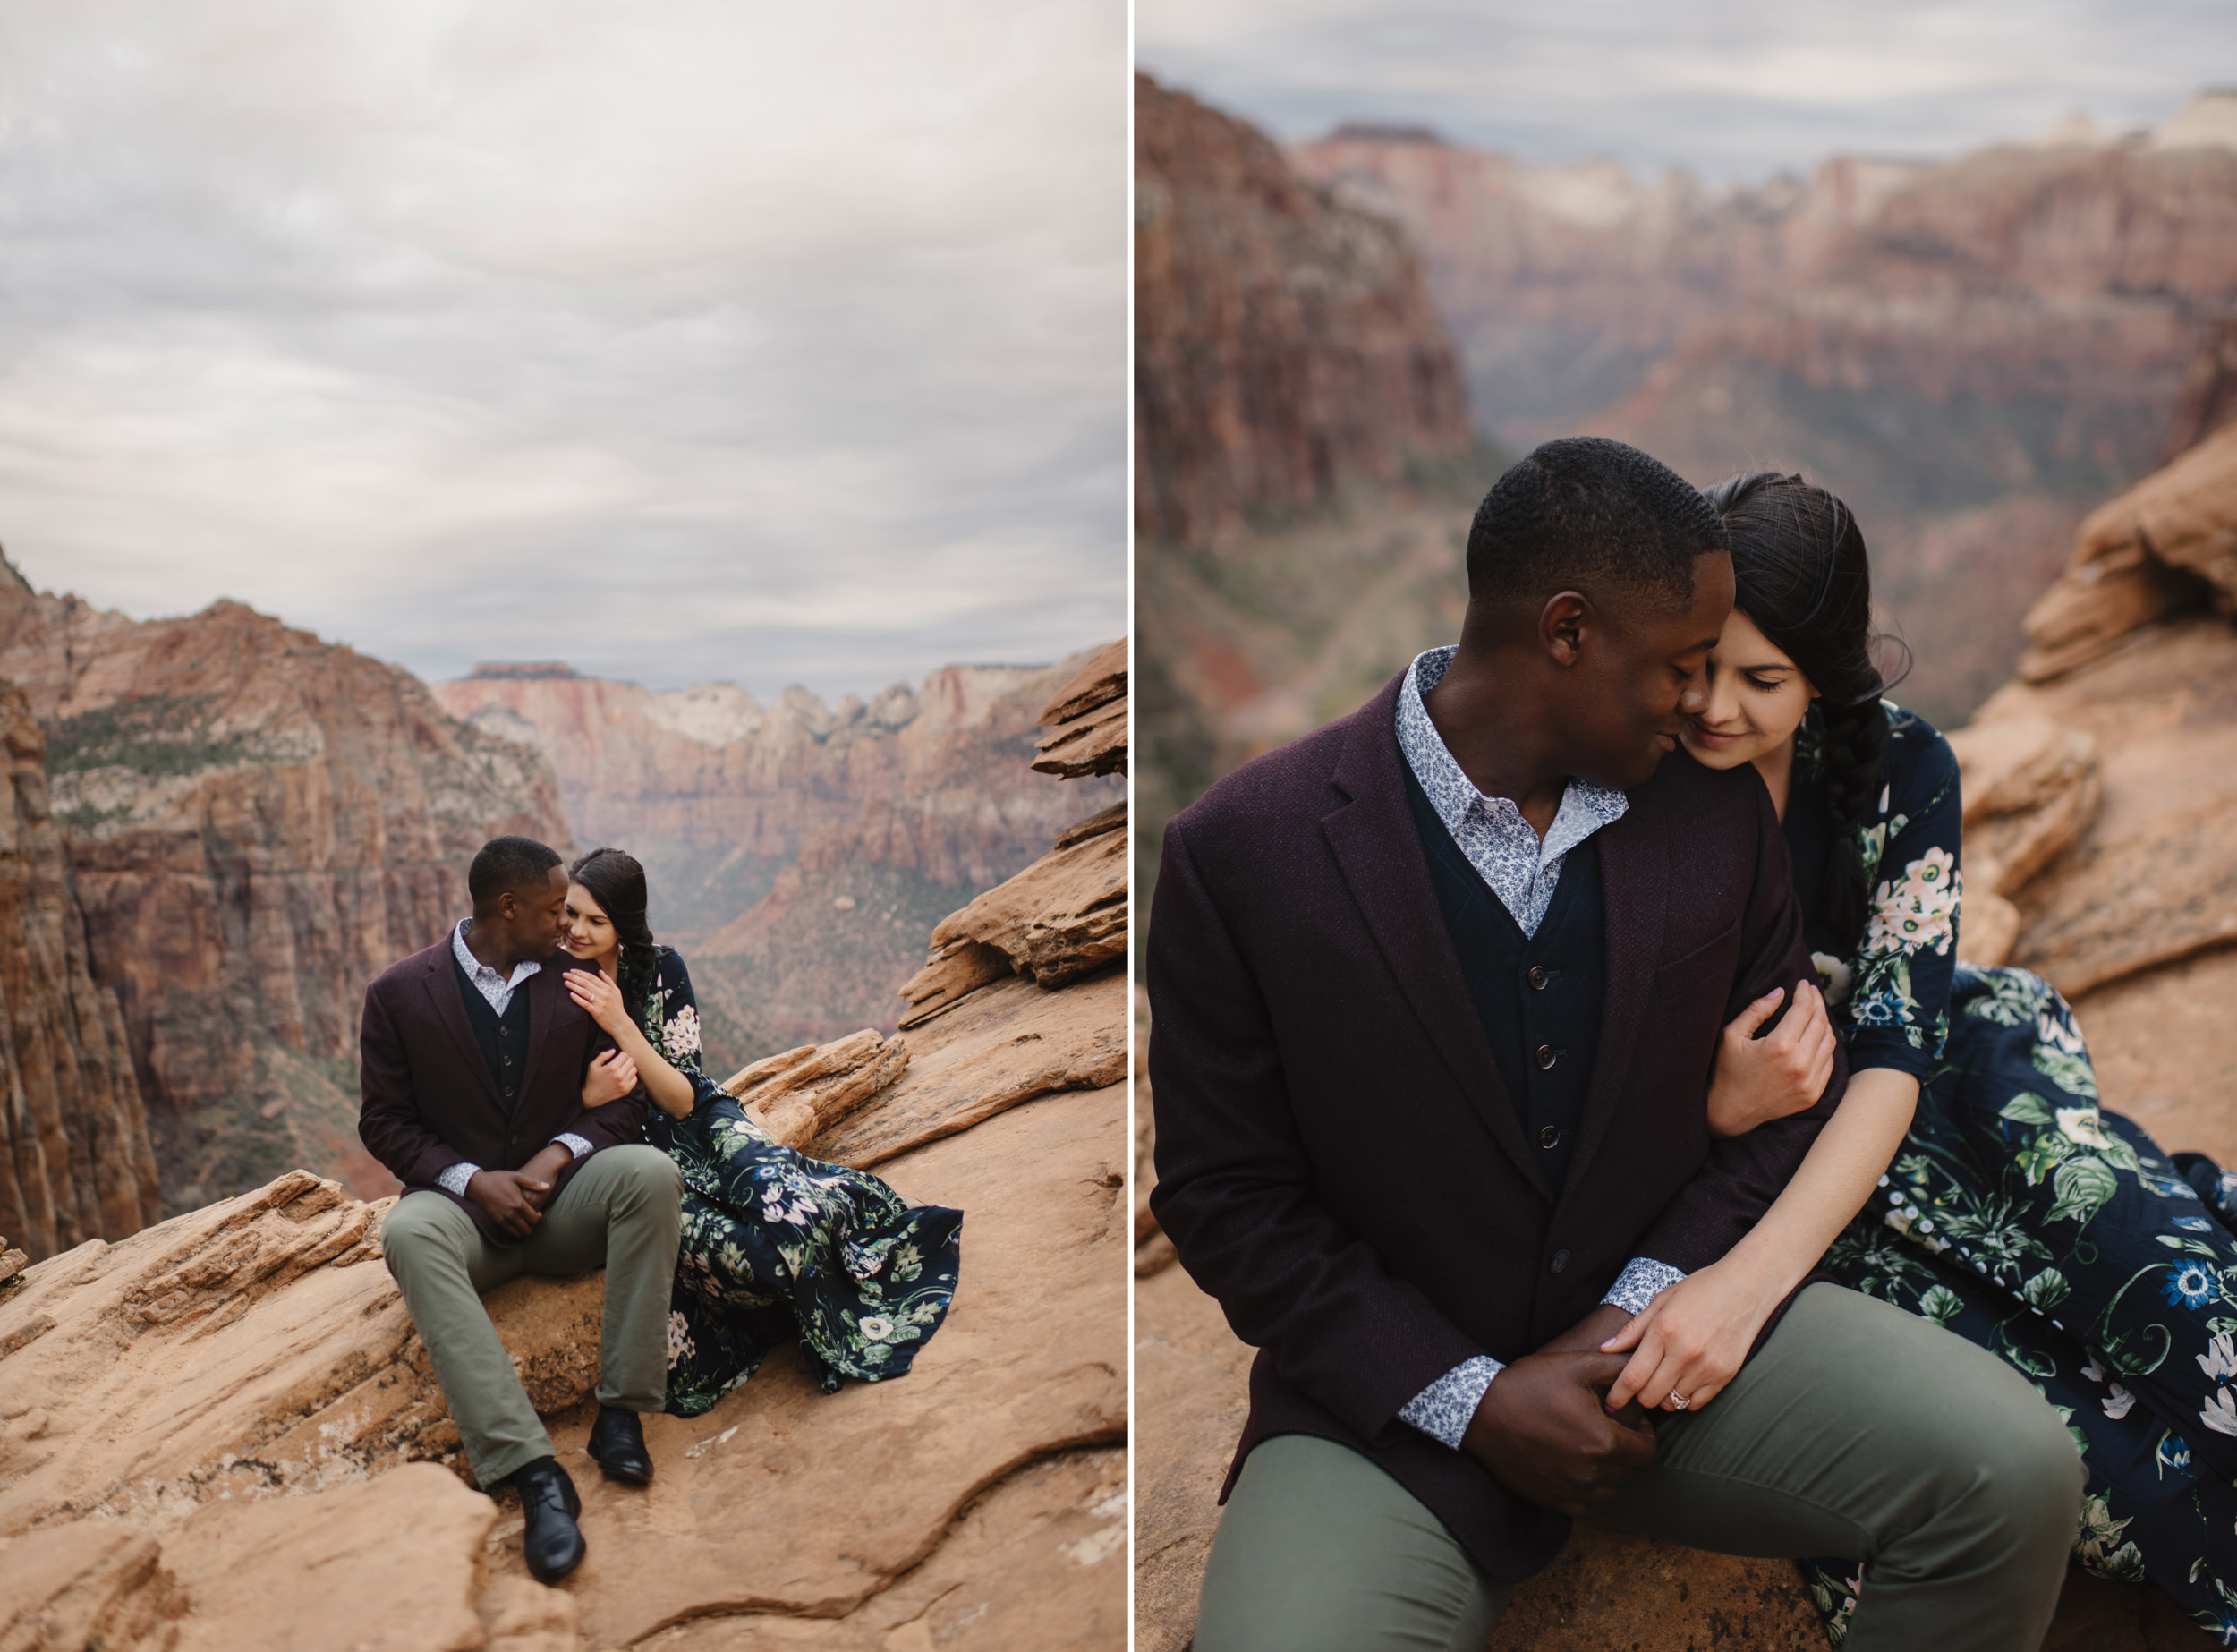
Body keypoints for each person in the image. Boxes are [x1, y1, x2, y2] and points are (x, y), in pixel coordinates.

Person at [1147, 437, 2084, 1652]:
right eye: (1683, 665)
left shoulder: (1713, 811)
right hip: (1394, 1422)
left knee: (2011, 1471)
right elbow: (1228, 1200)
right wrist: (1473, 1397)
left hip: (1678, 1362)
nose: (1702, 705)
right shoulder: (1241, 851)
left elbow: (1789, 1106)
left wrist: (1641, 1308)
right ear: (1570, 633)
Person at [1631, 469, 2237, 1641]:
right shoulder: (1634, 779)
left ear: (1826, 674)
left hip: (1940, 1088)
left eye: (1762, 679)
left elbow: (1898, 1050)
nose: (1713, 707)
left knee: (2167, 1286)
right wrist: (1712, 1115)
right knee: (2079, 1447)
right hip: (1764, 1166)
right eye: (1696, 664)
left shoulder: (1903, 767)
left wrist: (1747, 1288)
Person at [361, 834, 684, 1584]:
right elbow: (384, 1124)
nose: (565, 925)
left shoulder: (574, 984)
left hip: (563, 1204)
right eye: (551, 909)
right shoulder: (400, 993)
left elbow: (620, 1111)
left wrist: (553, 1156)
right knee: (407, 1231)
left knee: (651, 1175)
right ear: (507, 908)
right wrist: (474, 1180)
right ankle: (533, 1472)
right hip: (465, 1218)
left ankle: (622, 1415)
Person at [557, 847, 961, 1414]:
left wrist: (621, 1023)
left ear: (623, 924)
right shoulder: (550, 982)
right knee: (760, 1261)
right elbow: (541, 1108)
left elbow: (679, 1096)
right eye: (569, 914)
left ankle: (839, 1227)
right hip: (631, 1153)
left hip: (700, 1122)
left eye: (595, 920)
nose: (575, 930)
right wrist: (585, 1096)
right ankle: (778, 1307)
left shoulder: (662, 969)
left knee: (791, 1213)